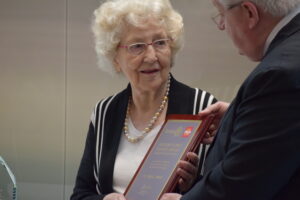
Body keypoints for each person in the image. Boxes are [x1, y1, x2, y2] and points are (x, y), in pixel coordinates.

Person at [70, 0, 218, 199]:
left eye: (160, 43)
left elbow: (227, 191)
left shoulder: (203, 108)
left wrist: (190, 191)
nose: (151, 56)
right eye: (137, 46)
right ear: (115, 57)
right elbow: (81, 194)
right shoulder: (105, 111)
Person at [161, 0, 300, 199]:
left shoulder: (279, 74)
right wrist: (238, 114)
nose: (222, 26)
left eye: (222, 14)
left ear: (249, 13)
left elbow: (242, 184)